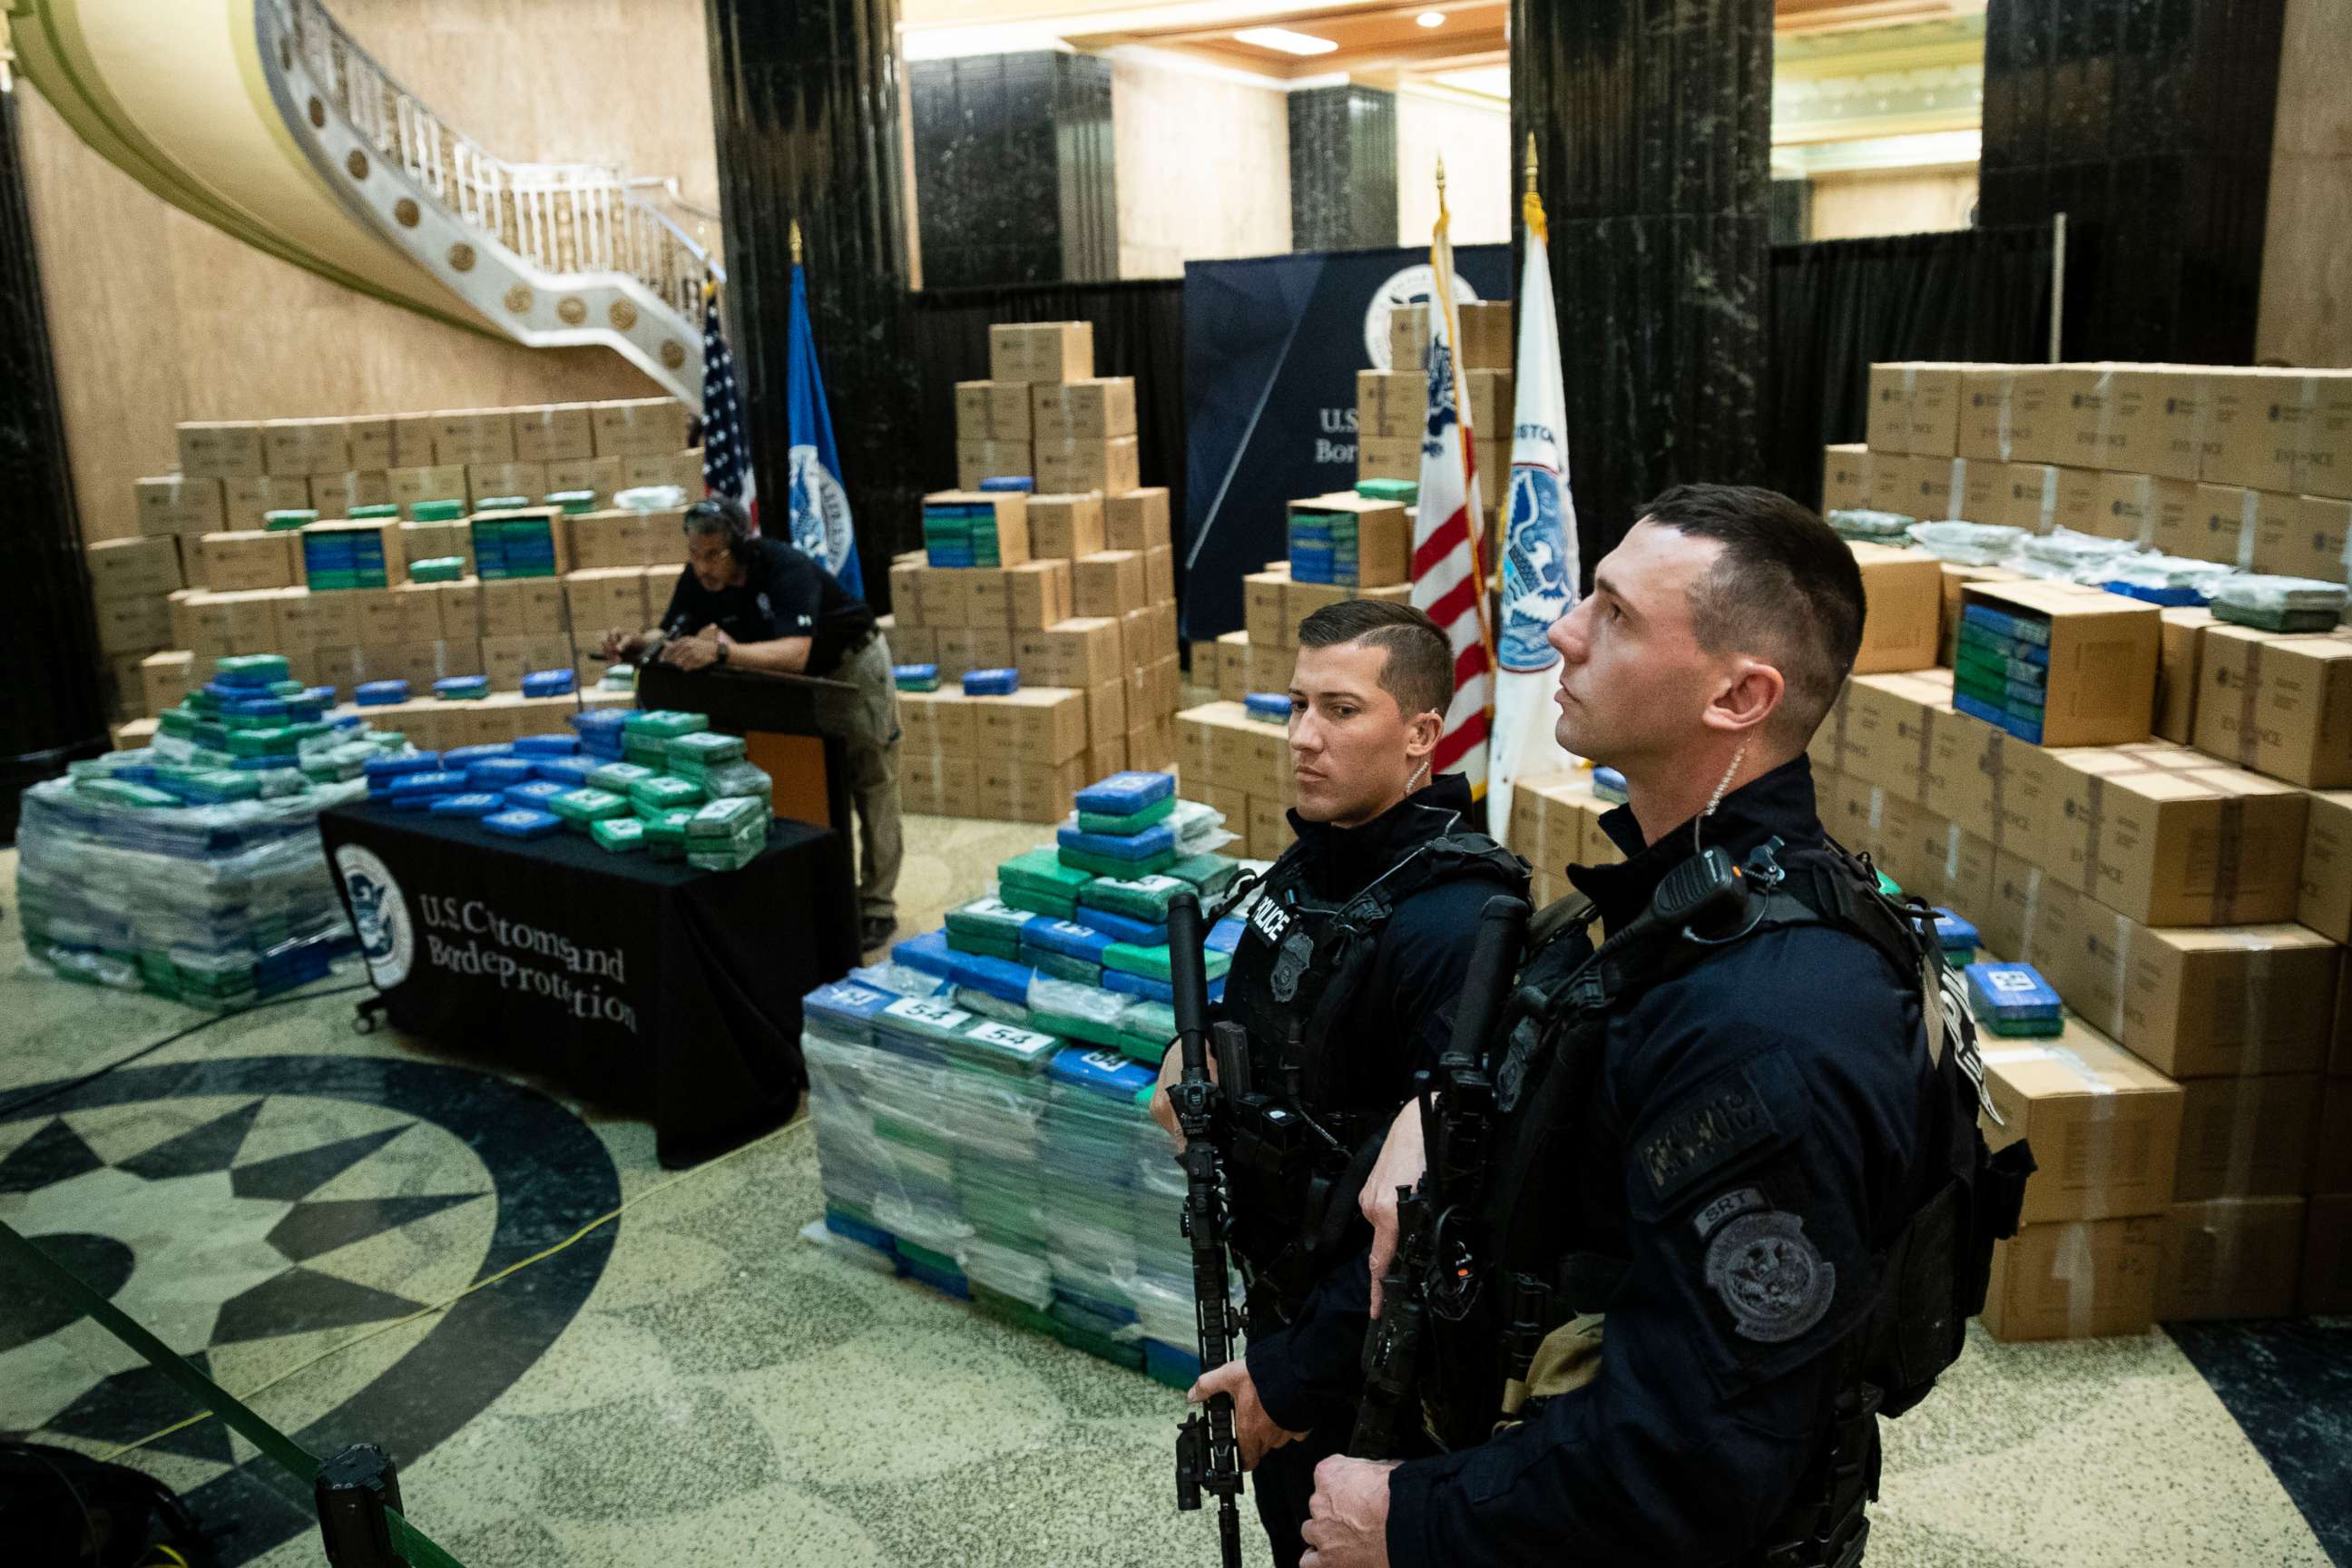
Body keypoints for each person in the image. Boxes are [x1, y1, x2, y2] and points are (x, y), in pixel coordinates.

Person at [1301, 485, 2028, 1568]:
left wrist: (1416, 1518)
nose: (1561, 631)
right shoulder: (1681, 902)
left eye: (1617, 615)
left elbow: (1696, 1459)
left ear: (1740, 695)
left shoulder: (1771, 1018)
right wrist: (1427, 1108)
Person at [1150, 598, 1529, 1568]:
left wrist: (1288, 1384)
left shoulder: (1457, 921)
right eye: (1295, 706)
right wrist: (1191, 1056)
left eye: (1340, 710)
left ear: (1422, 735)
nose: (1302, 738)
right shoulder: (1311, 865)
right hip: (1276, 1288)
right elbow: (1260, 1023)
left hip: (1372, 1368)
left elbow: (1430, 1213)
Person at [602, 497, 903, 952]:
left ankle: (877, 905)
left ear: (740, 547)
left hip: (848, 666)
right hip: (780, 684)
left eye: (712, 555)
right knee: (808, 781)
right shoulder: (699, 578)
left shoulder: (786, 568)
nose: (701, 567)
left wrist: (722, 652)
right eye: (693, 554)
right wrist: (636, 643)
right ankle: (819, 894)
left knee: (871, 780)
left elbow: (796, 654)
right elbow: (674, 633)